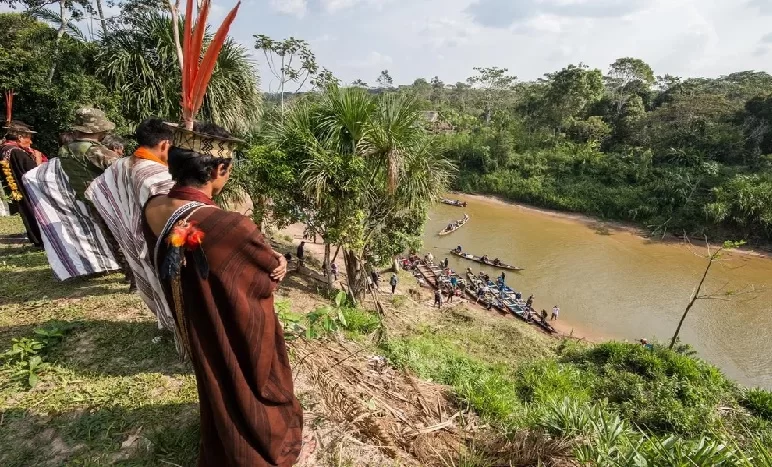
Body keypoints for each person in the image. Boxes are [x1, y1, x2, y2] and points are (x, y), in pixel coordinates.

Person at [142, 121, 303, 466]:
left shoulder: (153, 207)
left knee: (214, 377)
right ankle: (263, 444)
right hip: (223, 319)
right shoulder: (230, 225)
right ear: (220, 169)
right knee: (246, 379)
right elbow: (261, 277)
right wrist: (278, 264)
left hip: (191, 317)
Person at [85, 118, 177, 333]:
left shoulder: (122, 162)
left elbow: (95, 190)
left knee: (154, 282)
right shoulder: (157, 175)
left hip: (134, 236)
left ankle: (167, 319)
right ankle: (176, 323)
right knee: (168, 284)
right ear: (165, 144)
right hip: (154, 241)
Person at [22, 108, 123, 280]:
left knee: (110, 237)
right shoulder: (95, 151)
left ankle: (124, 269)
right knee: (122, 235)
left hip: (87, 198)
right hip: (108, 199)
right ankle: (133, 274)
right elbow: (122, 171)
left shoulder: (65, 150)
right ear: (99, 129)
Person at [0, 121, 45, 248]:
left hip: (17, 188)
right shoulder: (17, 152)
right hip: (27, 189)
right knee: (34, 212)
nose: (30, 142)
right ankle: (41, 239)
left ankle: (36, 237)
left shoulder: (4, 149)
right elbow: (33, 172)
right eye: (28, 137)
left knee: (27, 211)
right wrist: (38, 159)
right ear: (20, 137)